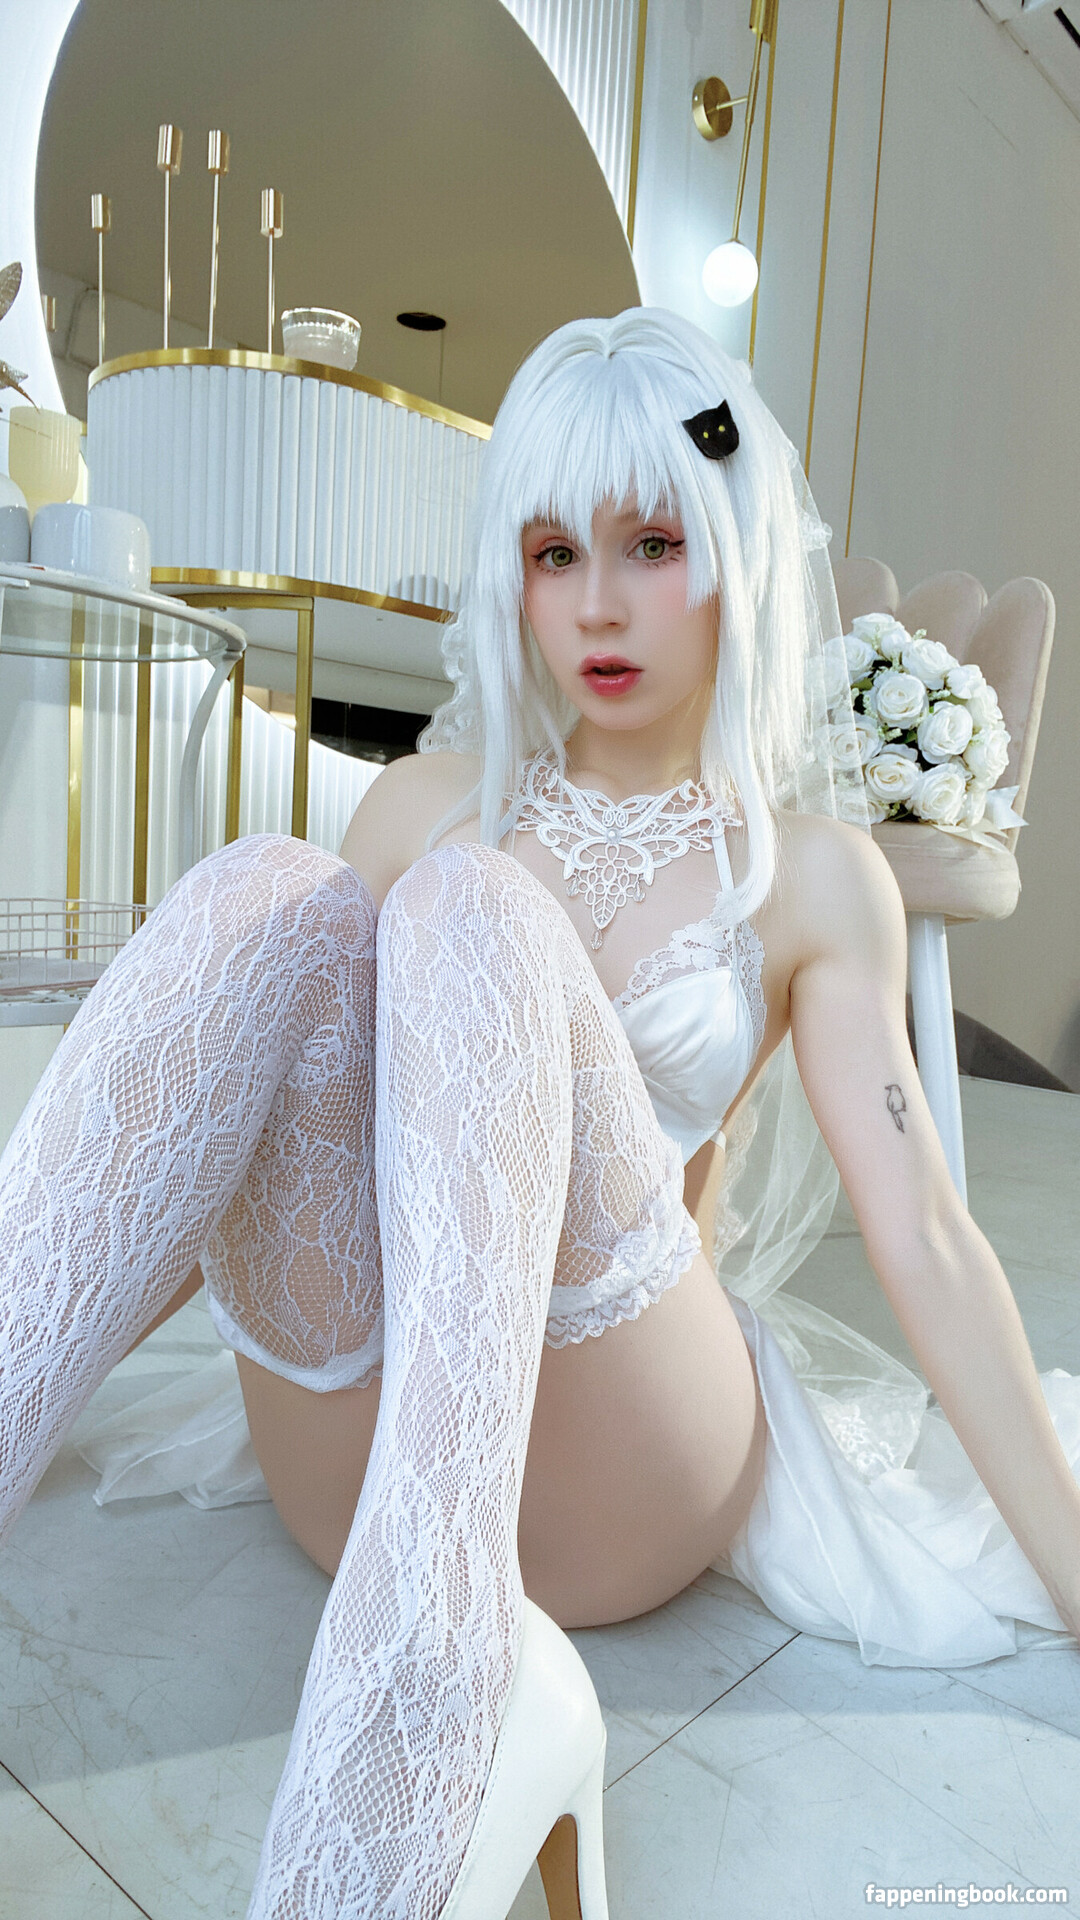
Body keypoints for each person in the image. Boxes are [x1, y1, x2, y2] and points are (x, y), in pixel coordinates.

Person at [2, 307, 1079, 1920]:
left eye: (653, 544)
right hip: (367, 1448)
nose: (598, 605)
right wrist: (91, 1298)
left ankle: (430, 1704)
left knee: (472, 914)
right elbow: (222, 1132)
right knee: (263, 892)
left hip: (627, 1453)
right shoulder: (427, 801)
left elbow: (922, 1231)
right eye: (555, 552)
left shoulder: (810, 874)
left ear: (736, 553)